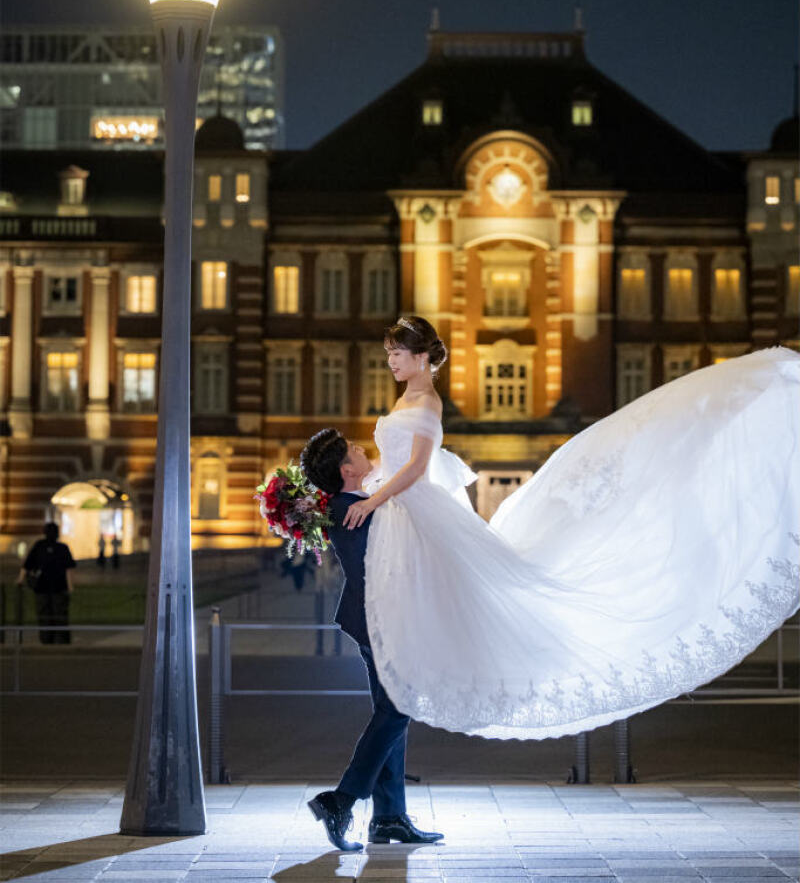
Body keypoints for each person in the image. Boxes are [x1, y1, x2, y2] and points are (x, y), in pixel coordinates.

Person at [325, 316, 800, 742]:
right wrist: (355, 488)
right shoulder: (405, 397)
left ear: (422, 357)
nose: (389, 362)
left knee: (475, 602)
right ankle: (391, 787)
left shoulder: (427, 401)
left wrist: (374, 497)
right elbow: (392, 465)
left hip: (416, 508)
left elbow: (417, 467)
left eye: (396, 354)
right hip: (404, 513)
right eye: (389, 354)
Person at [299, 427, 444, 852]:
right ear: (347, 470)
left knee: (390, 710)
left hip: (372, 621)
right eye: (355, 450)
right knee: (399, 707)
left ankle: (389, 818)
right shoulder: (357, 509)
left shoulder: (353, 505)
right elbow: (390, 568)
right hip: (382, 622)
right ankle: (342, 799)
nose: (364, 449)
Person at [17, 522, 76, 645]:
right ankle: (61, 640)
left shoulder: (39, 546)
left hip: (42, 588)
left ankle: (46, 640)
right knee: (60, 616)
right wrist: (70, 586)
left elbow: (27, 565)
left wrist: (20, 579)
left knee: (44, 615)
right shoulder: (62, 548)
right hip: (58, 588)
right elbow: (68, 569)